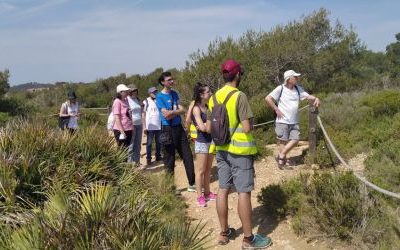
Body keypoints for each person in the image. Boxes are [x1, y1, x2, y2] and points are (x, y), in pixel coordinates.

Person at [207, 59, 272, 248]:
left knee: (223, 189)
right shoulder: (239, 96)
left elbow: (211, 126)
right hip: (239, 151)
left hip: (221, 149)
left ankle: (224, 233)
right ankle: (248, 239)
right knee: (243, 192)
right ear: (237, 75)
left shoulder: (214, 98)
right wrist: (250, 122)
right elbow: (246, 127)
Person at [265, 70, 320, 169]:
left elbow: (308, 96)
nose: (297, 78)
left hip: (294, 121)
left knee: (296, 139)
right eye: (295, 77)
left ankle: (281, 156)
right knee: (283, 141)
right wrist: (276, 109)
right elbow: (268, 98)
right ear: (289, 79)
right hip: (282, 121)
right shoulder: (280, 88)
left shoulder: (298, 89)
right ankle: (283, 163)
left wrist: (316, 98)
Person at [156, 72, 196, 193]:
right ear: (163, 82)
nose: (172, 81)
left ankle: (192, 183)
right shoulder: (159, 97)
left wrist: (173, 112)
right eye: (169, 80)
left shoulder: (174, 93)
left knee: (187, 155)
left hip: (178, 128)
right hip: (167, 129)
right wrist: (176, 111)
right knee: (169, 159)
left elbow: (182, 109)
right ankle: (170, 188)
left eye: (172, 79)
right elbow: (166, 115)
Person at [190, 82, 217, 207]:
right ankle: (199, 196)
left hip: (211, 141)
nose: (210, 93)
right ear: (201, 94)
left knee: (208, 170)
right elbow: (203, 128)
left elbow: (207, 126)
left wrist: (207, 125)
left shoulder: (207, 106)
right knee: (200, 170)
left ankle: (207, 193)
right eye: (208, 92)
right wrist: (207, 125)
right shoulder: (196, 108)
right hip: (201, 142)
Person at [143, 86, 162, 166]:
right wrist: (144, 127)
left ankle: (158, 157)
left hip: (158, 126)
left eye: (156, 92)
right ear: (149, 93)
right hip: (150, 127)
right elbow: (143, 114)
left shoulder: (159, 100)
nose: (155, 93)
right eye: (153, 92)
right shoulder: (146, 101)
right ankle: (148, 159)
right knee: (149, 143)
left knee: (159, 142)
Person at [112, 84, 133, 153]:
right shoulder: (117, 102)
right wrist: (122, 131)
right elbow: (117, 117)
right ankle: (122, 164)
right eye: (125, 91)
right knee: (122, 150)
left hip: (129, 128)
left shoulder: (126, 100)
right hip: (121, 130)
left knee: (127, 149)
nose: (127, 92)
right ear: (120, 92)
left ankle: (127, 163)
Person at [127, 84, 143, 166]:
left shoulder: (137, 99)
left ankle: (137, 162)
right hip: (132, 124)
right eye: (133, 91)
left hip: (139, 123)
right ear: (129, 92)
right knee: (131, 144)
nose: (135, 92)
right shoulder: (127, 100)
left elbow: (141, 109)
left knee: (138, 143)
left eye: (135, 91)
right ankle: (129, 163)